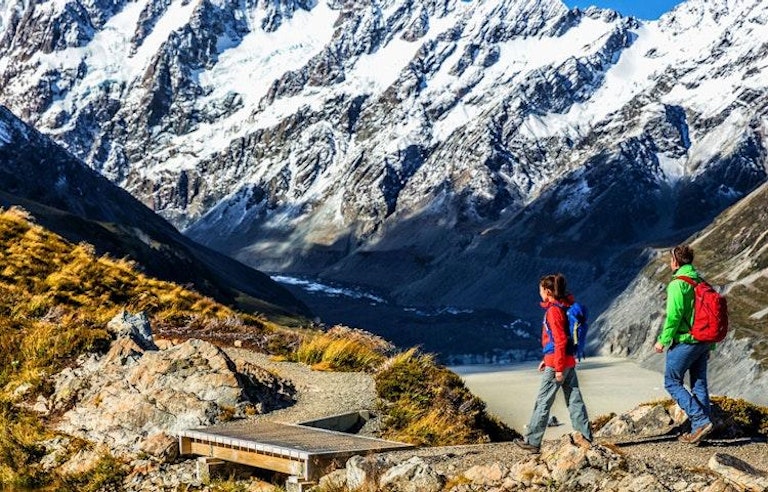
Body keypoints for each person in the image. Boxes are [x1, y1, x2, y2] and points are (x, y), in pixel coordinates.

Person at [514, 273, 592, 453]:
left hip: (558, 363)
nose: (539, 293)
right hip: (568, 360)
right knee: (574, 399)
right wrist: (547, 359)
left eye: (541, 290)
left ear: (547, 291)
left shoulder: (553, 311)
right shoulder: (566, 306)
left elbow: (559, 340)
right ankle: (585, 437)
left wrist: (556, 367)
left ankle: (533, 441)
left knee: (543, 401)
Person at [654, 244, 713, 445]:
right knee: (699, 383)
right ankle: (702, 428)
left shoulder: (678, 284)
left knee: (671, 381)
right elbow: (710, 316)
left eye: (671, 259)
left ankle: (700, 420)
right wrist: (710, 346)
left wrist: (663, 340)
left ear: (676, 262)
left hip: (686, 340)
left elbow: (674, 315)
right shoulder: (699, 281)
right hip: (703, 341)